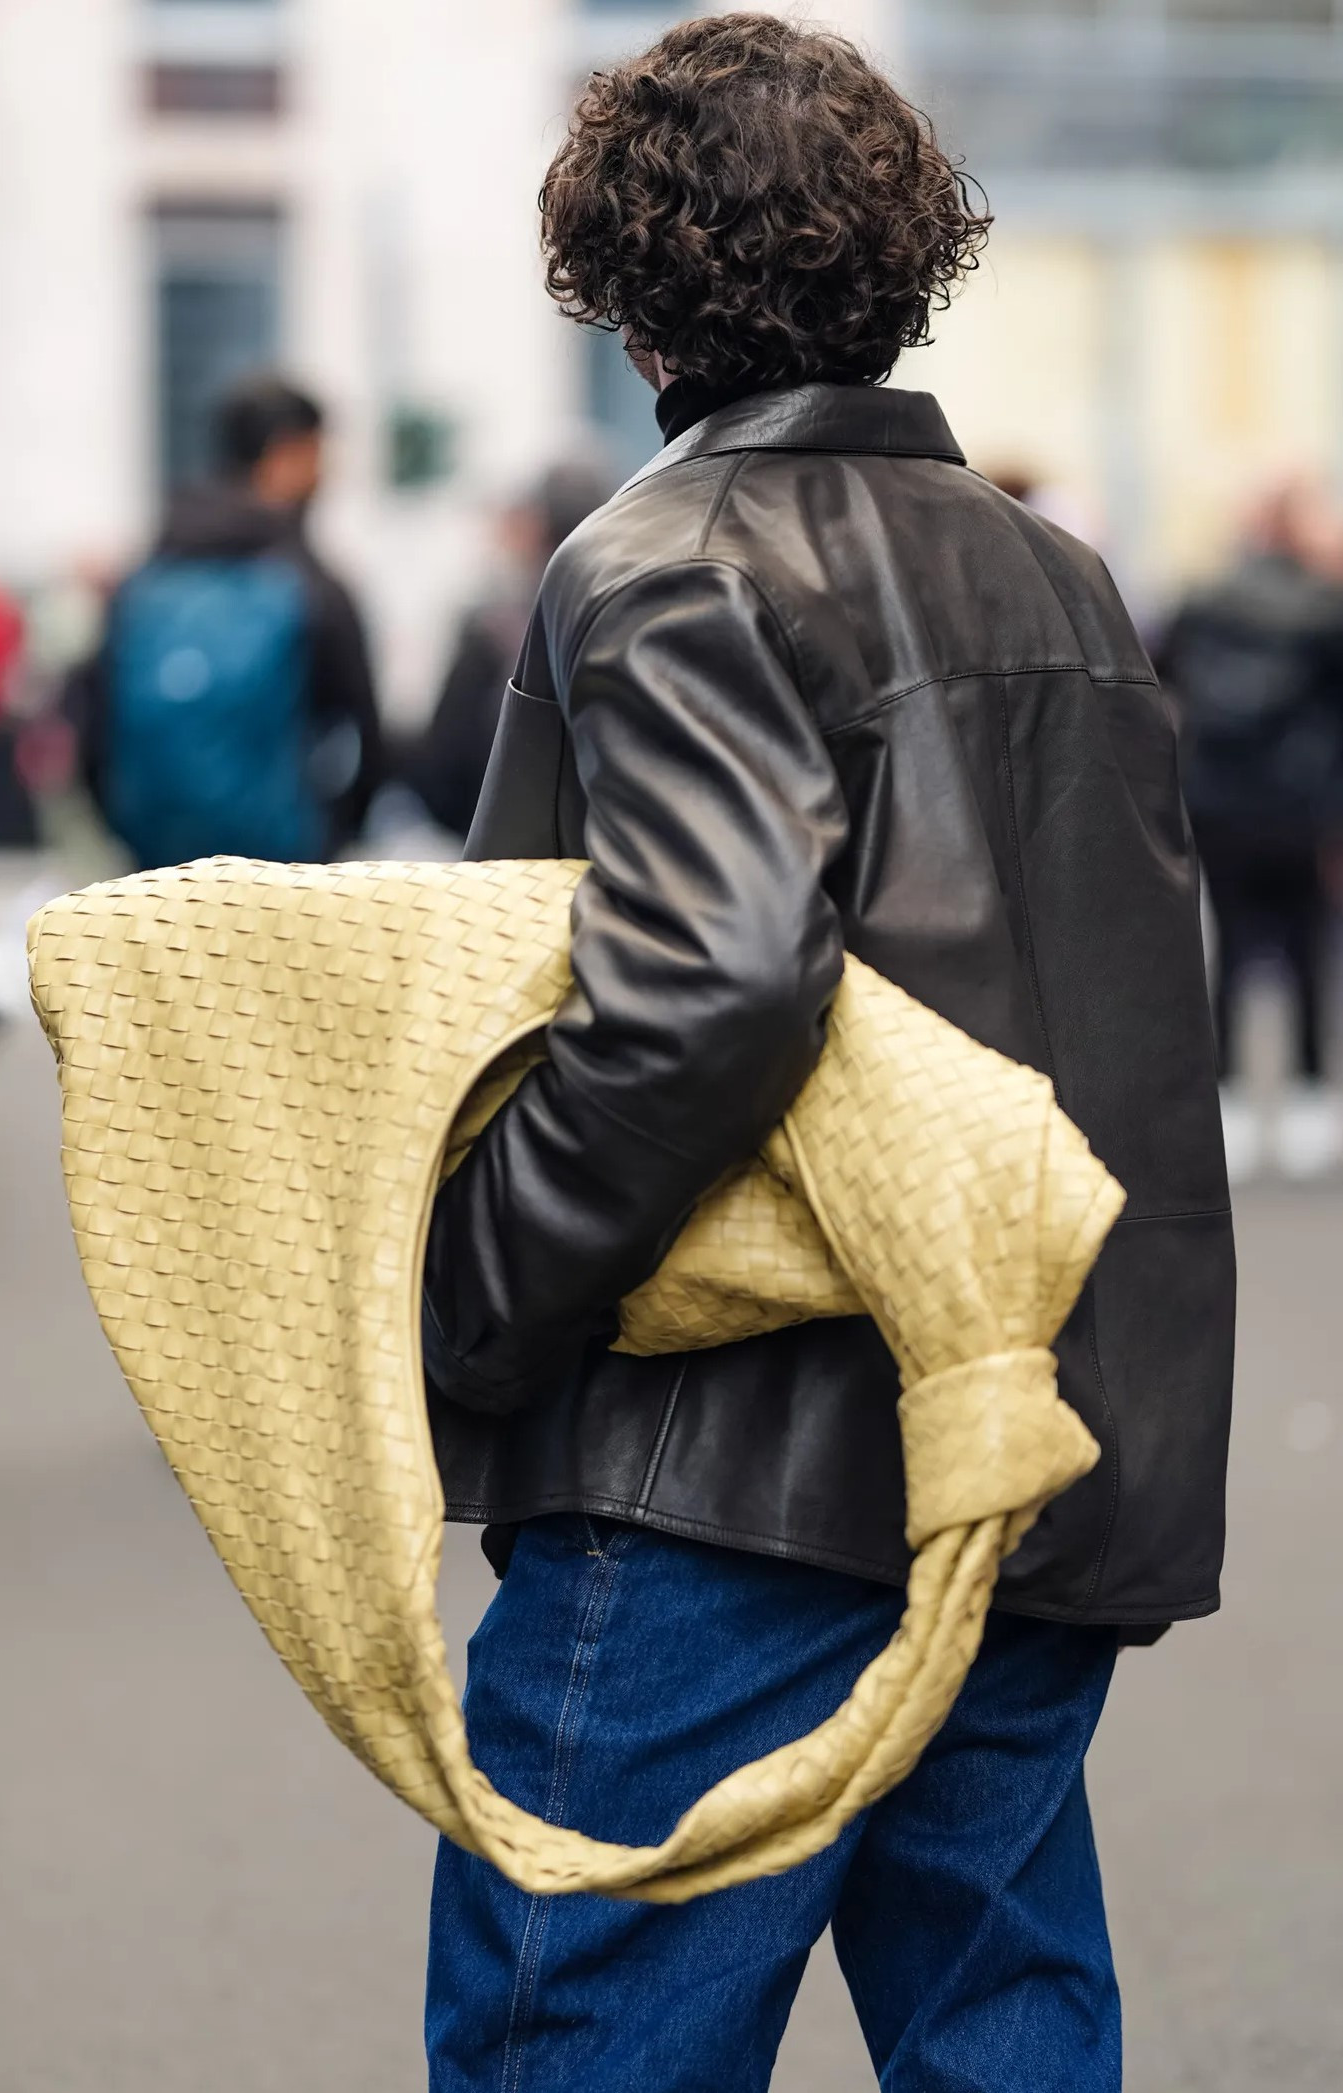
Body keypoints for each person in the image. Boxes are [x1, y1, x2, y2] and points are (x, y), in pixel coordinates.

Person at [420, 17, 1233, 2091]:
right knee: (1000, 2024)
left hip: (724, 1470)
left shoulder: (664, 558)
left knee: (574, 2033)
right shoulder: (1056, 576)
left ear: (621, 285)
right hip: (1023, 1437)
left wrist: (475, 1300)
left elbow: (698, 990)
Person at [67, 374, 382, 870]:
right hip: (283, 870)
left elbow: (89, 720)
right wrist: (335, 836)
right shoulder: (309, 582)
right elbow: (366, 729)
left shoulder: (148, 572)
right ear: (288, 455)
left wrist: (126, 827)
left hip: (154, 867)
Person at [1159, 478, 1343, 1182]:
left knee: (1228, 954)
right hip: (1300, 806)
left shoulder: (1200, 604)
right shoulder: (1326, 608)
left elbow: (1165, 688)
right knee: (1305, 955)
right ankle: (1303, 1102)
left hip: (1218, 804)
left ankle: (1230, 1099)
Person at [393, 463, 614, 843]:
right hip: (601, 859)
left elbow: (442, 768)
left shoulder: (491, 630)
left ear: (536, 528)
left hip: (502, 861)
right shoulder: (624, 622)